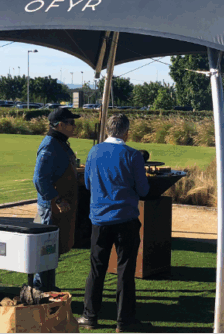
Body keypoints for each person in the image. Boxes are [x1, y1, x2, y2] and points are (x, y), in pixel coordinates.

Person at [78, 114, 152, 333]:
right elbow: (144, 190)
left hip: (100, 218)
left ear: (108, 130)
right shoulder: (133, 155)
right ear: (126, 132)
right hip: (125, 219)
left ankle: (90, 316)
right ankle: (124, 320)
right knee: (125, 270)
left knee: (96, 268)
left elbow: (88, 183)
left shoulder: (94, 151)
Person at [31, 107, 81, 292]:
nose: (74, 126)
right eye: (71, 123)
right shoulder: (50, 145)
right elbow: (39, 179)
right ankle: (40, 288)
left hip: (56, 206)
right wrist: (57, 200)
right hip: (51, 208)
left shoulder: (59, 142)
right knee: (46, 250)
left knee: (52, 250)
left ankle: (47, 286)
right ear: (60, 125)